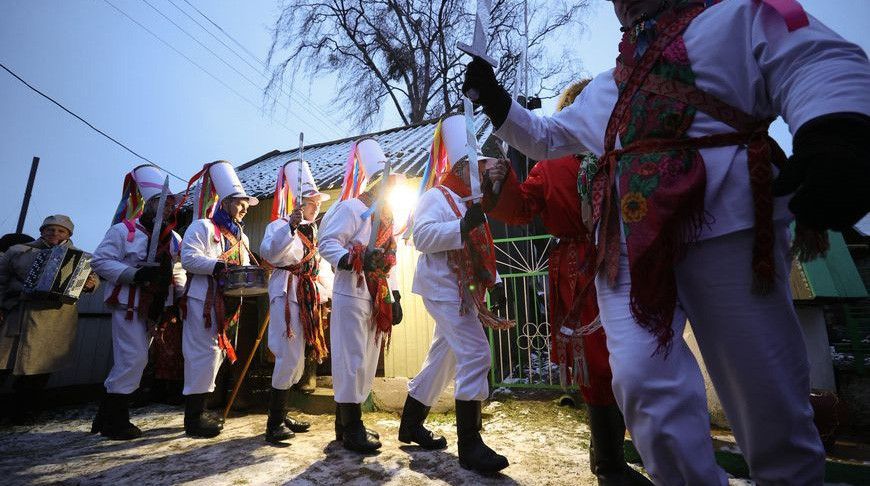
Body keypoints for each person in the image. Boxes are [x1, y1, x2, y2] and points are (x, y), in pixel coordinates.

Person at [463, 0, 870, 483]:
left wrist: (837, 129)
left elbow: (814, 58)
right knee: (639, 381)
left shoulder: (738, 16)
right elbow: (549, 137)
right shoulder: (606, 87)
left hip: (730, 227)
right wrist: (495, 99)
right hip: (628, 246)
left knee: (766, 392)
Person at [485, 80, 651, 485]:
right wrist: (501, 179)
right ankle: (609, 463)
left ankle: (609, 452)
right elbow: (522, 208)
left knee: (631, 357)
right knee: (598, 361)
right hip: (580, 268)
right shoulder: (553, 163)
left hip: (625, 259)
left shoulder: (617, 154)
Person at [403, 148, 512, 475]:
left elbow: (480, 247)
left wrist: (497, 280)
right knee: (477, 353)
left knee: (444, 358)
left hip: (458, 289)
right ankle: (471, 445)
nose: (482, 174)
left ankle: (410, 424)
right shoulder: (436, 196)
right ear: (463, 168)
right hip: (443, 288)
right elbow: (420, 236)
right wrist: (462, 226)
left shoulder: (467, 201)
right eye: (479, 167)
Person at [318, 138, 403, 453]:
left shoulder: (388, 220)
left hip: (377, 296)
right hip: (351, 292)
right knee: (351, 358)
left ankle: (346, 425)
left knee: (368, 359)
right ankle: (353, 425)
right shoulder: (352, 208)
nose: (392, 188)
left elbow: (391, 261)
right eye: (389, 182)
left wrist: (395, 298)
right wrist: (352, 260)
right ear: (378, 182)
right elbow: (327, 242)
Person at [89, 165, 186, 439]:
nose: (167, 209)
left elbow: (177, 271)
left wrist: (178, 298)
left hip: (156, 309)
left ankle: (104, 416)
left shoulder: (174, 238)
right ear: (149, 204)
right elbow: (100, 261)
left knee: (134, 361)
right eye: (162, 203)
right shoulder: (123, 231)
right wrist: (134, 274)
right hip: (129, 304)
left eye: (170, 204)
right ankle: (115, 421)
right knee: (132, 359)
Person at [180, 161, 258, 438]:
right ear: (224, 202)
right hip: (202, 300)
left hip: (228, 304)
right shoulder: (202, 227)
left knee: (216, 355)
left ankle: (200, 412)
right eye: (240, 203)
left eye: (246, 206)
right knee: (202, 355)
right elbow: (188, 258)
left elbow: (246, 266)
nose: (244, 209)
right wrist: (216, 266)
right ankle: (193, 419)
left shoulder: (242, 237)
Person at [259, 159, 333, 444]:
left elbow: (320, 269)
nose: (315, 206)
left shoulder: (314, 233)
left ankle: (283, 412)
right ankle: (273, 423)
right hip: (287, 295)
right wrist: (289, 226)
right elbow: (270, 253)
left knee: (298, 360)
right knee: (287, 356)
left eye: (316, 202)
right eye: (310, 202)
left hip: (306, 298)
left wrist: (332, 295)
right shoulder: (279, 225)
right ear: (298, 204)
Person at [0, 215, 98, 424]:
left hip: (54, 318)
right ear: (42, 231)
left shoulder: (81, 257)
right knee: (4, 364)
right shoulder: (18, 251)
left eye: (61, 231)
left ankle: (24, 412)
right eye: (50, 230)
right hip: (19, 313)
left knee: (40, 370)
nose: (55, 234)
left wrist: (91, 284)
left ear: (68, 234)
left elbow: (93, 279)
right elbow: (2, 279)